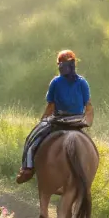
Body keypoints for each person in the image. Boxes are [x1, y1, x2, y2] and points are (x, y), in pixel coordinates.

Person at [16, 49, 94, 183]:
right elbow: (88, 105)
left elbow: (51, 106)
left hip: (59, 119)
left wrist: (42, 120)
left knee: (31, 140)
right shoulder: (83, 82)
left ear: (60, 65)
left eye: (59, 64)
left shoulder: (56, 82)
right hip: (77, 121)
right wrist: (87, 121)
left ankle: (27, 169)